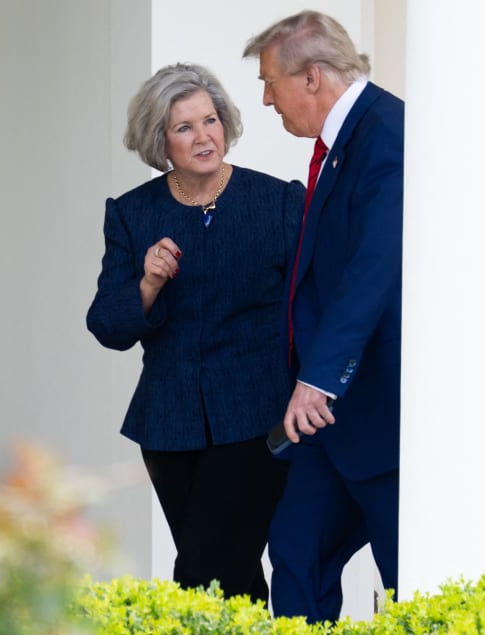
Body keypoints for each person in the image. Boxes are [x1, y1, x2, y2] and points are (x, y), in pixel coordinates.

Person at [86, 62, 304, 603]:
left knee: (205, 575)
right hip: (169, 426)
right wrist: (147, 283)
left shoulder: (278, 203)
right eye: (184, 127)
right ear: (159, 138)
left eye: (210, 120)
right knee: (232, 578)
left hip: (257, 419)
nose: (203, 136)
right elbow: (108, 326)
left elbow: (313, 308)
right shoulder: (133, 214)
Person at [243, 11, 404, 622]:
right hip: (326, 415)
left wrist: (319, 377)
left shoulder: (387, 135)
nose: (264, 99)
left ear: (311, 77)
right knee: (296, 552)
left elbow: (374, 271)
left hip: (371, 405)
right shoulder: (343, 142)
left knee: (407, 575)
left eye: (269, 82)